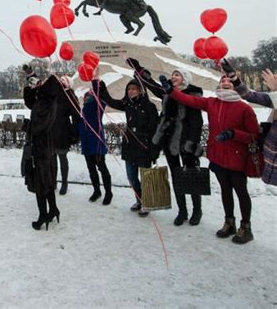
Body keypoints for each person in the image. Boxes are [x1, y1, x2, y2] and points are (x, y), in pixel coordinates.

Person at [162, 73, 260, 244]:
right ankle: (229, 222)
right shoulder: (212, 103)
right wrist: (171, 91)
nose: (225, 82)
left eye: (229, 81)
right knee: (225, 190)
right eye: (222, 81)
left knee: (241, 192)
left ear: (236, 86)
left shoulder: (244, 108)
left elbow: (254, 136)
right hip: (218, 156)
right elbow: (189, 100)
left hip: (237, 158)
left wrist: (234, 134)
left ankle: (246, 228)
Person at [128, 58, 204, 226]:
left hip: (186, 143)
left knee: (190, 177)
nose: (174, 76)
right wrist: (139, 69)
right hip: (169, 142)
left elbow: (197, 122)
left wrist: (192, 144)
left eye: (178, 74)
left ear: (185, 79)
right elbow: (152, 85)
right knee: (177, 177)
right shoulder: (167, 92)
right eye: (173, 74)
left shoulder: (193, 95)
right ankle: (182, 211)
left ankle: (197, 210)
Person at [99, 78, 159, 215]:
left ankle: (147, 203)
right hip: (130, 146)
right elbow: (110, 100)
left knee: (146, 178)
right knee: (132, 177)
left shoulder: (150, 107)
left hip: (144, 148)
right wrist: (100, 84)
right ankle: (139, 199)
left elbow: (154, 129)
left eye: (134, 89)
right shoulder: (127, 104)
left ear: (140, 91)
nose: (131, 91)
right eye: (129, 89)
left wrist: (154, 150)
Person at [222, 59, 277, 187]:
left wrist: (275, 90)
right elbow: (248, 95)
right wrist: (233, 77)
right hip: (271, 160)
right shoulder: (273, 98)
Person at [23, 69, 63, 230]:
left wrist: (27, 126)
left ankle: (43, 215)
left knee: (40, 181)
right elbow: (30, 103)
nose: (42, 83)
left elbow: (40, 126)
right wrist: (29, 83)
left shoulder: (47, 102)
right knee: (45, 180)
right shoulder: (45, 100)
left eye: (45, 82)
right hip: (42, 146)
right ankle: (53, 209)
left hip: (41, 146)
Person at [78, 80, 113, 205]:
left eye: (90, 96)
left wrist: (94, 79)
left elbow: (99, 93)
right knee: (91, 169)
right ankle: (97, 190)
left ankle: (108, 192)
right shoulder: (84, 109)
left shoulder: (98, 106)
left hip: (96, 142)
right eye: (86, 96)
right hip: (87, 143)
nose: (86, 98)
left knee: (102, 168)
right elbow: (82, 123)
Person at [51, 75, 80, 195]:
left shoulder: (70, 96)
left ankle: (64, 182)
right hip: (51, 130)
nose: (60, 83)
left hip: (63, 130)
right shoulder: (53, 95)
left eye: (63, 81)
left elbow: (76, 115)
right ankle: (53, 181)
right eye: (60, 81)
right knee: (51, 158)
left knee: (62, 157)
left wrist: (74, 132)